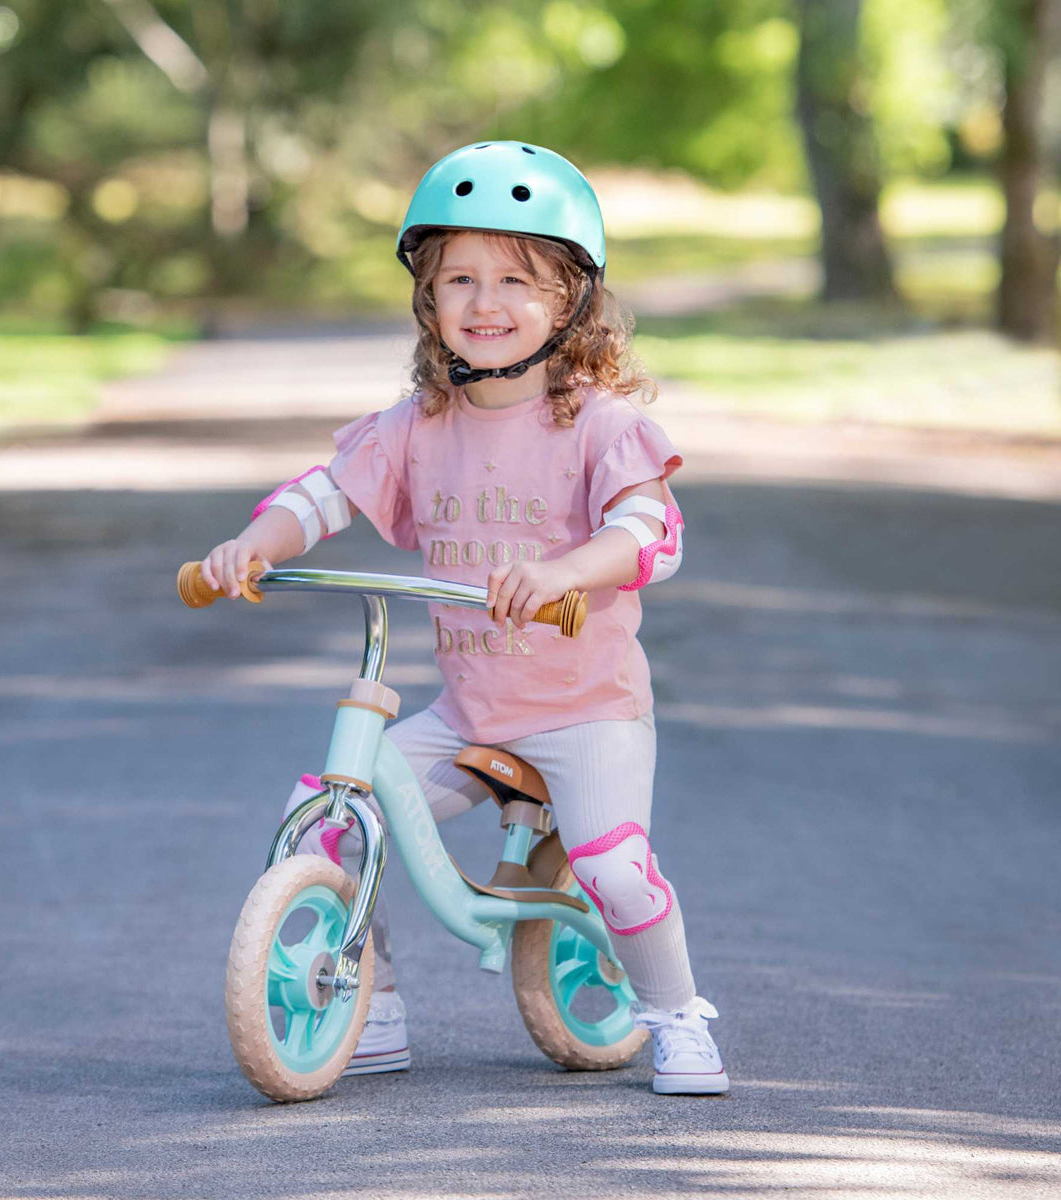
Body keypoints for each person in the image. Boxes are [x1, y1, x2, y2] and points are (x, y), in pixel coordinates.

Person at [199, 141, 728, 1095]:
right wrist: (256, 546)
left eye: (517, 279)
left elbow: (648, 532)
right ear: (428, 301)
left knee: (613, 872)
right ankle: (372, 999)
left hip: (587, 708)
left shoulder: (601, 425)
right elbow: (322, 494)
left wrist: (568, 567)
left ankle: (676, 1015)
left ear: (568, 298)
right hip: (473, 713)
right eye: (460, 279)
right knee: (327, 820)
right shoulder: (419, 423)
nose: (487, 303)